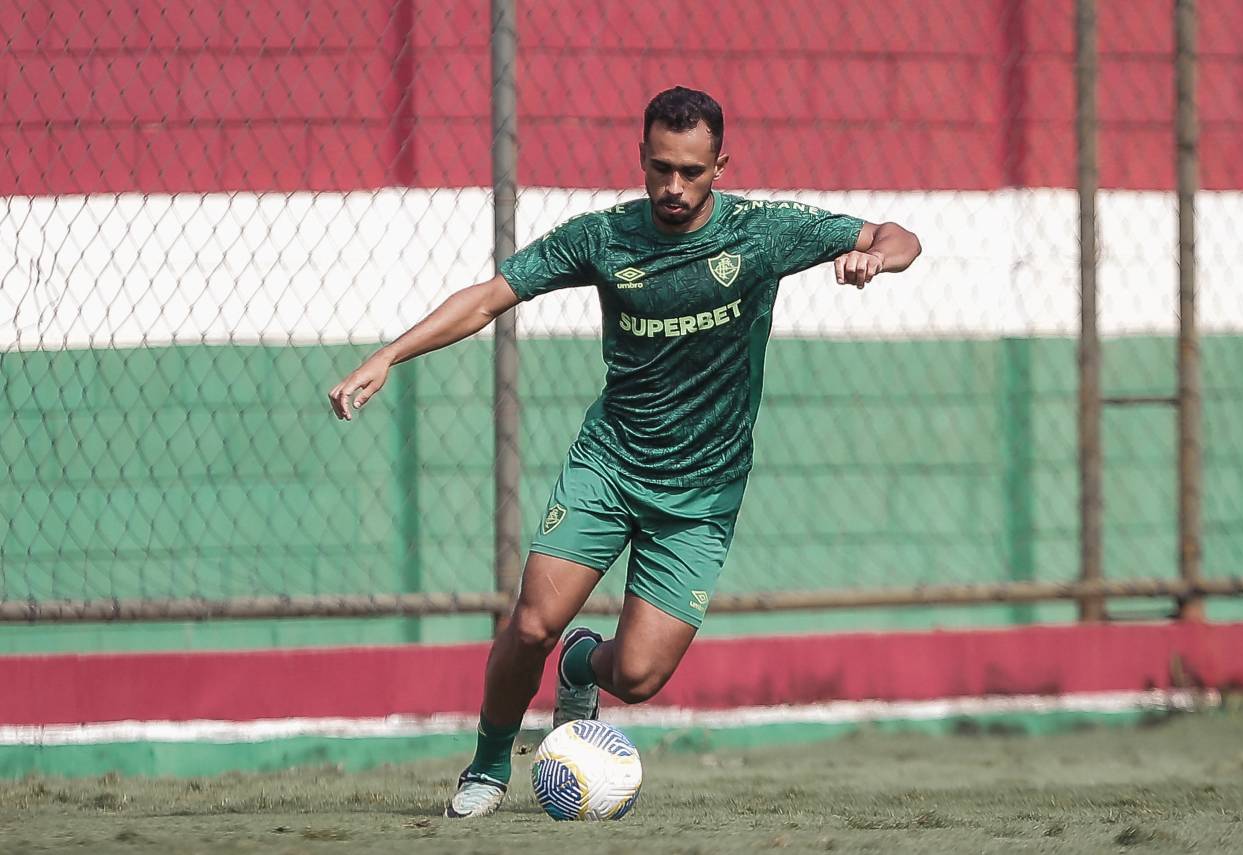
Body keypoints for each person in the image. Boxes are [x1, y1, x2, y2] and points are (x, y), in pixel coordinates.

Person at [327, 86, 921, 819]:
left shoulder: (765, 235)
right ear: (641, 157)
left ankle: (582, 663)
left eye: (692, 171)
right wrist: (388, 356)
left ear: (720, 166)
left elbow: (896, 234)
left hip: (701, 497)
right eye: (661, 168)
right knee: (530, 623)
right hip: (609, 466)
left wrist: (878, 262)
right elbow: (488, 297)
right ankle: (486, 766)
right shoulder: (605, 238)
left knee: (636, 677)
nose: (674, 187)